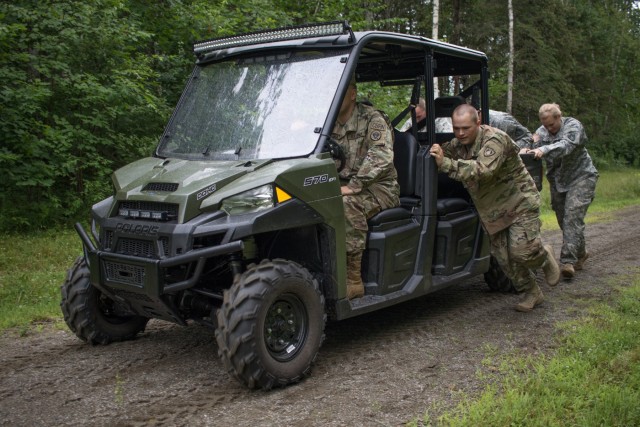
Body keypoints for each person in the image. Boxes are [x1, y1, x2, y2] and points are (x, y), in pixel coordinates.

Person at [429, 104, 560, 312]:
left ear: (478, 122)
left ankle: (543, 255)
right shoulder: (459, 144)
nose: (460, 133)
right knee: (505, 261)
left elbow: (482, 171)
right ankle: (532, 292)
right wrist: (436, 151)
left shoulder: (494, 139)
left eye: (465, 128)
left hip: (519, 202)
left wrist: (444, 164)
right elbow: (444, 151)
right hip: (491, 209)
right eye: (456, 128)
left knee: (521, 252)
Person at [331, 75, 400, 299]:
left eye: (342, 89)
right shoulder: (326, 122)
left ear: (353, 94)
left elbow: (381, 156)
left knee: (345, 204)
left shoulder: (373, 119)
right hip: (340, 185)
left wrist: (354, 185)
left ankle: (353, 280)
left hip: (379, 188)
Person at [523, 103, 598, 279]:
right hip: (558, 181)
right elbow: (530, 143)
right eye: (545, 124)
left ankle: (567, 262)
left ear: (559, 117)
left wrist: (543, 149)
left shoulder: (573, 126)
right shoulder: (541, 132)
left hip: (582, 177)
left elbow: (566, 145)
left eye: (551, 124)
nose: (548, 128)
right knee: (563, 220)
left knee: (572, 217)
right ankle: (581, 253)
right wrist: (526, 148)